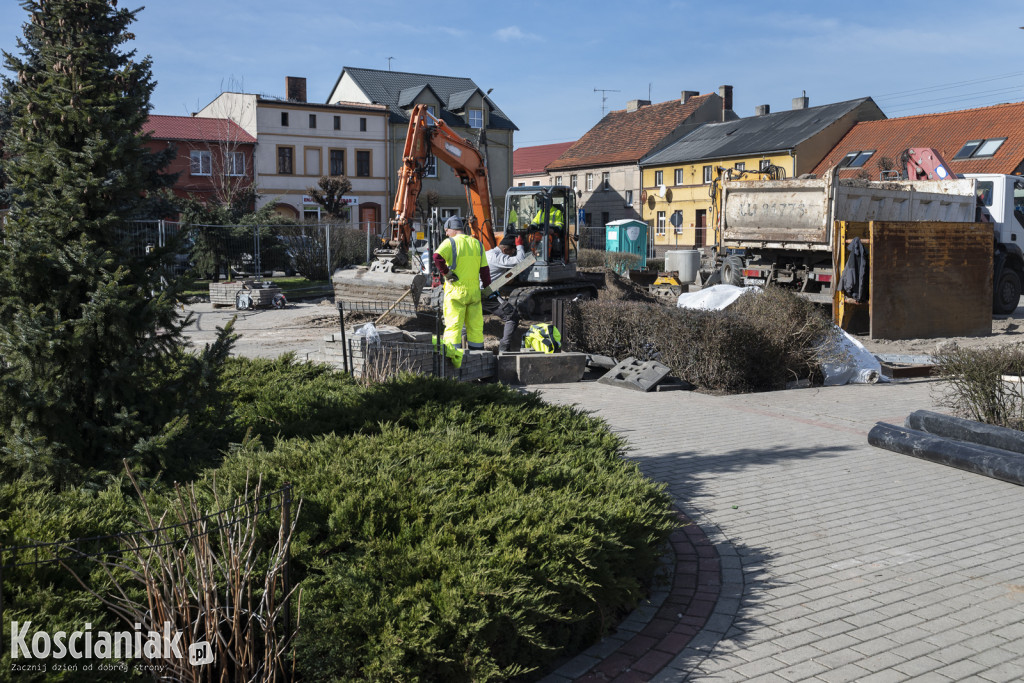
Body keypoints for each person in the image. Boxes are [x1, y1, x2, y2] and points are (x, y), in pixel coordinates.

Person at [432, 215, 490, 351]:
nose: (446, 233)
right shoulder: (477, 244)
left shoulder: (450, 243)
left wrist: (446, 273)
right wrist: (488, 289)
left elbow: (436, 257)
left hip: (456, 292)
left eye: (447, 230)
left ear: (453, 229)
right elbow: (485, 270)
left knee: (453, 326)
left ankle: (452, 359)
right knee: (475, 328)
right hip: (474, 294)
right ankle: (478, 357)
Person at [484, 232, 528, 352]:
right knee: (512, 316)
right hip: (485, 293)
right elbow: (521, 261)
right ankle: (504, 349)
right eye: (511, 252)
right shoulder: (498, 257)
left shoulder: (488, 253)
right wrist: (520, 246)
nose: (511, 255)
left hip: (479, 290)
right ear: (504, 250)